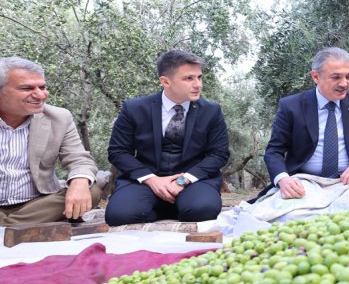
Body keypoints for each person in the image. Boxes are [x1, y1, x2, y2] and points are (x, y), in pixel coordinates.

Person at [105, 50, 229, 226]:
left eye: (199, 77)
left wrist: (183, 180)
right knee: (120, 215)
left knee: (202, 210)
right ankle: (157, 207)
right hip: (145, 181)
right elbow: (118, 152)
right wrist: (152, 180)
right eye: (189, 78)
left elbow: (219, 154)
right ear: (165, 81)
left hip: (194, 180)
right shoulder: (133, 108)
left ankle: (181, 205)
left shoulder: (212, 110)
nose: (198, 84)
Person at [260, 46, 349, 200]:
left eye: (348, 77)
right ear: (316, 77)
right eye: (336, 77)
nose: (344, 84)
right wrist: (283, 179)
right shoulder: (291, 106)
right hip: (303, 182)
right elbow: (274, 151)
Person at [0, 56, 100, 225]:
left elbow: (79, 159)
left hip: (38, 204)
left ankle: (7, 227)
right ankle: (16, 227)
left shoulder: (59, 118)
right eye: (27, 88)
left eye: (43, 87)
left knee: (92, 190)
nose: (40, 94)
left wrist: (80, 181)